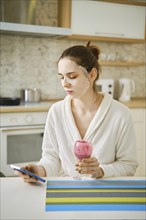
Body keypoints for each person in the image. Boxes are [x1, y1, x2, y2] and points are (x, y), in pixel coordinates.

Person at [17, 41, 138, 183]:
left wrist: (100, 171)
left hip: (104, 189)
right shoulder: (56, 112)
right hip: (67, 188)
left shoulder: (120, 114)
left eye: (72, 76)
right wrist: (39, 170)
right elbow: (51, 158)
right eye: (61, 77)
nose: (65, 83)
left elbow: (129, 165)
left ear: (92, 74)